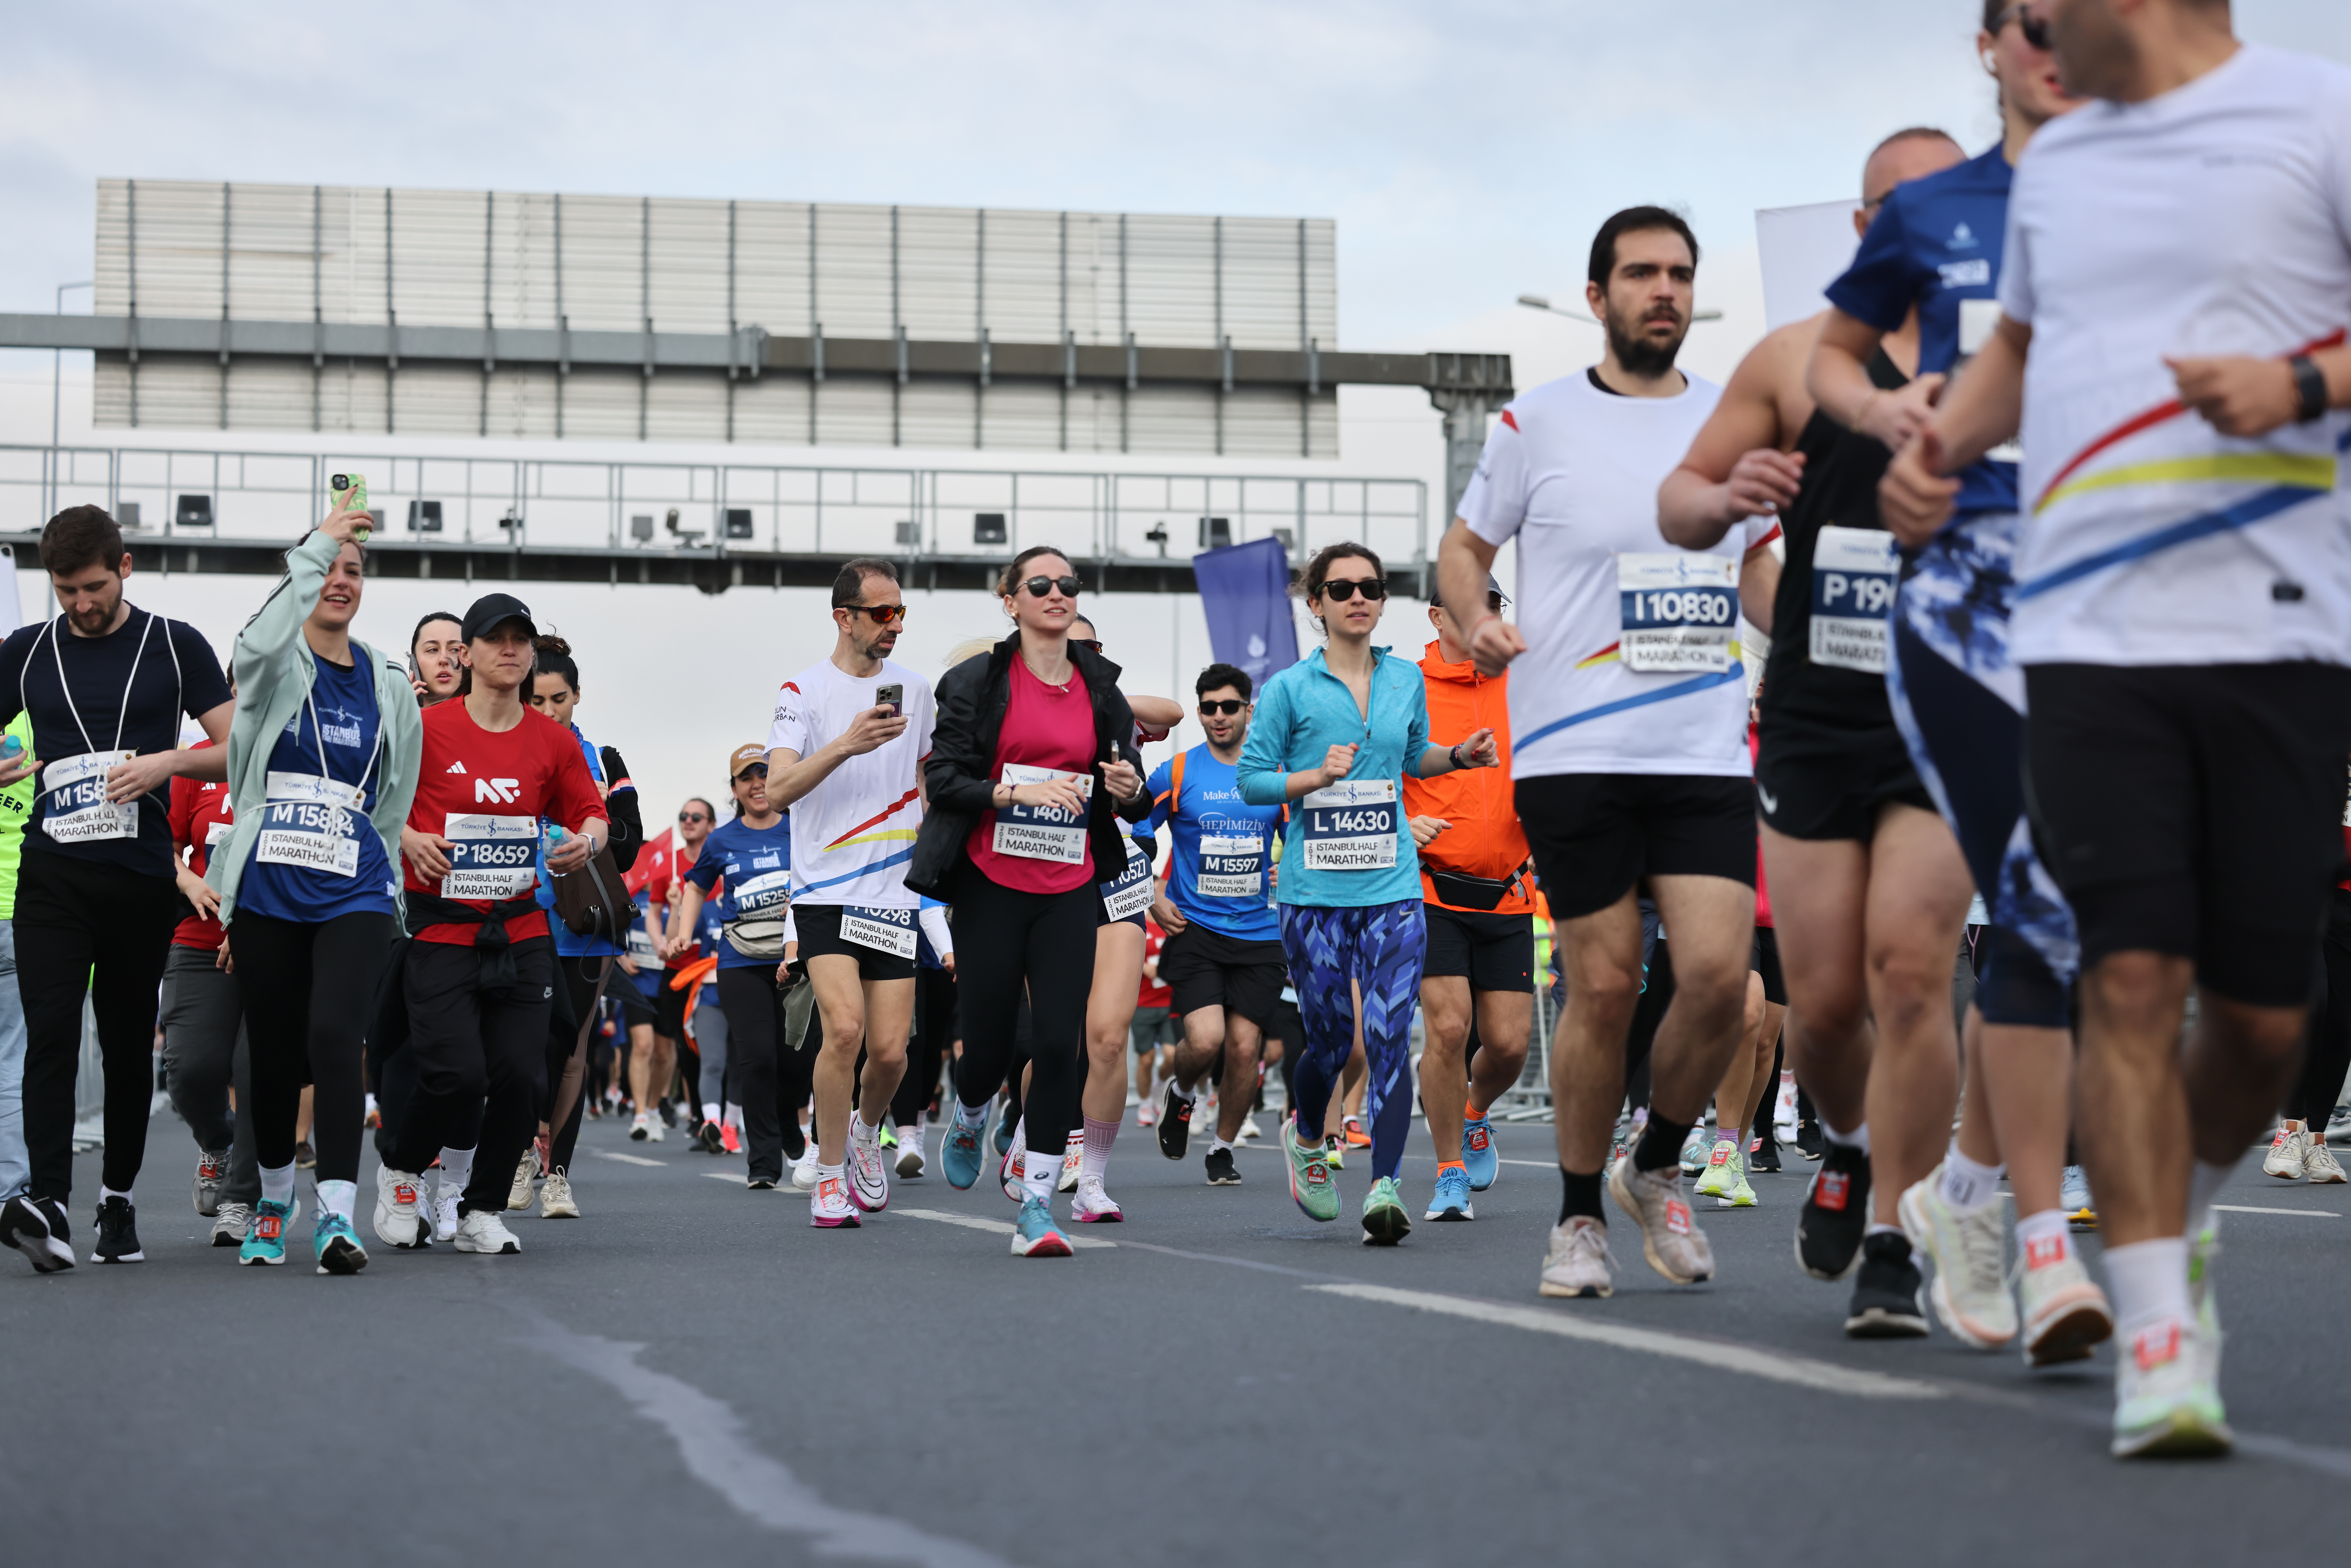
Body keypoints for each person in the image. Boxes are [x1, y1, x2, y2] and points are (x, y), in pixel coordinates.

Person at [1877, 0, 2351, 1456]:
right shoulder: (2065, 166)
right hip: (2081, 629)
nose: (2022, 28)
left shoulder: (2317, 114)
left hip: (2276, 619)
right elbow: (2021, 345)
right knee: (2128, 973)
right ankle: (2157, 1337)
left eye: (2041, 5)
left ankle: (2182, 1220)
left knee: (2266, 1018)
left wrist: (2305, 385)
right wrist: (1941, 450)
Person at [1810, 4, 2112, 1364]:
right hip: (1970, 599)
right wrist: (1886, 416)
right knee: (2027, 915)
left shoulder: (2162, 190)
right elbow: (1829, 356)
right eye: (2039, 19)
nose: (2065, 40)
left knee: (2111, 931)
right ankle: (2029, 1235)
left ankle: (1973, 1192)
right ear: (1988, 42)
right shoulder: (1933, 210)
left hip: (2125, 584)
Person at [1658, 128, 1974, 1340]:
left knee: (1913, 971)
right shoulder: (1795, 359)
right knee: (1828, 999)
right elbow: (1680, 498)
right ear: (1862, 228)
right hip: (1816, 704)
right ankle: (1841, 1141)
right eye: (1898, 205)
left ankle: (1895, 1234)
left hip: (1947, 702)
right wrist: (1725, 502)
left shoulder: (2008, 353)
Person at [1443, 207, 1779, 1297]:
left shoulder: (1739, 419)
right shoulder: (1534, 422)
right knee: (1601, 983)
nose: (1664, 290)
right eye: (1641, 274)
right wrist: (1471, 618)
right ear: (1599, 297)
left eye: (1680, 273)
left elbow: (1762, 572)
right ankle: (1579, 1215)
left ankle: (1656, 1162)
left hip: (1700, 742)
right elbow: (1465, 547)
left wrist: (1824, 619)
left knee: (1724, 982)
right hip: (1571, 745)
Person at [1239, 542, 1499, 1246]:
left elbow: (1412, 755)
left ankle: (1384, 1184)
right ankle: (1304, 1136)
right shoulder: (1291, 688)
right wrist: (1309, 780)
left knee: (1388, 1036)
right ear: (1317, 602)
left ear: (1383, 600)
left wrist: (1459, 756)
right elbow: (1253, 780)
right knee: (1330, 1039)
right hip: (1314, 891)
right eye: (1343, 587)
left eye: (1372, 587)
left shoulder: (1404, 679)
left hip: (1391, 883)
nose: (1359, 597)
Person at [0, 505, 234, 1274]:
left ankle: (119, 1200)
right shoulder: (27, 652)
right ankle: (52, 1204)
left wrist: (167, 764)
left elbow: (238, 751)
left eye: (94, 586)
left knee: (130, 1042)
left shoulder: (176, 644)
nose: (80, 603)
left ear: (124, 567)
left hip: (139, 878)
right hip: (53, 876)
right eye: (65, 590)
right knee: (51, 1035)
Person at [908, 547, 1151, 1257]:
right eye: (1039, 584)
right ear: (1009, 599)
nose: (1056, 593)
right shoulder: (978, 681)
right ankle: (971, 1108)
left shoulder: (1100, 689)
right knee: (984, 1048)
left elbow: (1124, 778)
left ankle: (1038, 1206)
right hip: (989, 881)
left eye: (1067, 584)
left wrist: (1125, 785)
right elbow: (946, 778)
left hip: (1071, 884)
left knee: (1057, 1044)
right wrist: (1015, 791)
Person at [210, 506, 420, 1271]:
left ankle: (337, 1215)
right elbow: (256, 639)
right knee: (272, 1052)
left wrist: (383, 860)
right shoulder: (272, 666)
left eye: (354, 570)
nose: (340, 581)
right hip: (269, 883)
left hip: (355, 886)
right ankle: (273, 1199)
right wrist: (320, 542)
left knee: (337, 1035)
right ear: (303, 577)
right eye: (328, 567)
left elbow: (393, 796)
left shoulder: (386, 679)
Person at [372, 592, 607, 1258]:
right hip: (442, 929)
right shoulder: (424, 729)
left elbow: (591, 815)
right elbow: (374, 805)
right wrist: (410, 837)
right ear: (466, 653)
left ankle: (480, 1208)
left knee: (522, 1077)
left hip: (522, 927)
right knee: (457, 1075)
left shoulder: (553, 741)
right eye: (495, 638)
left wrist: (584, 845)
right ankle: (401, 1165)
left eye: (520, 639)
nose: (509, 649)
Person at [763, 558, 936, 1225]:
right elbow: (777, 790)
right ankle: (828, 1173)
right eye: (881, 613)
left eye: (901, 613)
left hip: (896, 891)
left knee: (891, 1051)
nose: (894, 625)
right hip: (824, 889)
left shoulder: (916, 689)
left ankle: (867, 1133)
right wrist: (844, 744)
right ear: (844, 617)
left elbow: (930, 781)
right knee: (844, 1029)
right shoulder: (800, 691)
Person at [1406, 579, 1535, 1222]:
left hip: (1509, 890)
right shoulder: (1403, 686)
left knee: (1509, 1045)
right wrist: (1403, 821)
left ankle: (1475, 1110)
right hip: (1431, 886)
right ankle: (1448, 1171)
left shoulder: (1524, 681)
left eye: (1494, 604)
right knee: (1450, 1028)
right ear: (1436, 615)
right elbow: (1371, 771)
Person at [1046, 611, 1177, 1219]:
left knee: (1107, 1036)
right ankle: (1025, 1132)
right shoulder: (1018, 705)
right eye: (1069, 646)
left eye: (1092, 646)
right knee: (1052, 1039)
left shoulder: (1117, 710)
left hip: (1117, 879)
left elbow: (1172, 711)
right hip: (1046, 878)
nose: (1080, 654)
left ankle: (1092, 1178)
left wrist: (1096, 689)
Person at [1147, 662, 1290, 1188]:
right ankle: (1182, 1095)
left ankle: (1223, 1149)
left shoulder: (1274, 775)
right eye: (1208, 708)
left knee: (1246, 1049)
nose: (1218, 717)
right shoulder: (1179, 773)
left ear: (1248, 711)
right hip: (1198, 931)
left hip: (1261, 934)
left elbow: (1302, 837)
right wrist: (1151, 899)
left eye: (1230, 707)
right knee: (1205, 1041)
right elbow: (1133, 835)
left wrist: (1288, 864)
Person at [519, 634, 642, 1219]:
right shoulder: (505, 751)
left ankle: (558, 1175)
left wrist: (590, 825)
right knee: (522, 1046)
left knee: (571, 1050)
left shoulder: (604, 759)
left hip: (585, 922)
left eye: (559, 699)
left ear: (576, 696)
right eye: (537, 700)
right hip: (516, 914)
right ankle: (519, 1149)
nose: (548, 712)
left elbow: (630, 841)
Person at [670, 746, 808, 1195]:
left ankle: (790, 1121)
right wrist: (684, 933)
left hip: (795, 962)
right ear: (734, 790)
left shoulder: (800, 830)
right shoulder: (722, 840)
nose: (757, 784)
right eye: (746, 778)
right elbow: (696, 887)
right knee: (757, 1058)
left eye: (765, 775)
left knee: (795, 1063)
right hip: (740, 963)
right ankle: (764, 1162)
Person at [160, 720, 259, 1246]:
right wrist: (189, 879)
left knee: (255, 1072)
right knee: (190, 1070)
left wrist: (251, 924)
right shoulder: (196, 762)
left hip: (273, 944)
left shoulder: (295, 758)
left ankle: (242, 1199)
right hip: (199, 942)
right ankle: (217, 1143)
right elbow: (164, 843)